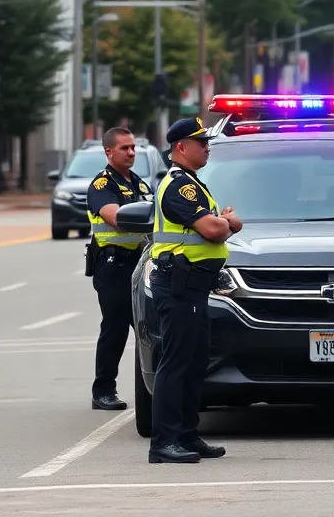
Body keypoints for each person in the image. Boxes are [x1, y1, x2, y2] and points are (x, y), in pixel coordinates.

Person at [146, 117, 242, 464]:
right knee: (175, 363)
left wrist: (224, 224)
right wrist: (229, 222)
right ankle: (164, 442)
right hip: (179, 286)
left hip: (195, 287)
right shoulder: (179, 186)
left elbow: (218, 227)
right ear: (180, 147)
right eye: (200, 141)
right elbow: (213, 229)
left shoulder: (195, 184)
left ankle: (187, 434)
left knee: (194, 361)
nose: (207, 146)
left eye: (206, 141)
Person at [85, 127, 152, 411]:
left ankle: (154, 386)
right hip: (112, 265)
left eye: (133, 147)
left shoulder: (140, 184)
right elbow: (114, 217)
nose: (131, 152)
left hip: (138, 263)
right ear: (108, 152)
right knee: (115, 329)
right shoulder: (102, 185)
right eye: (124, 148)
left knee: (148, 329)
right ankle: (103, 391)